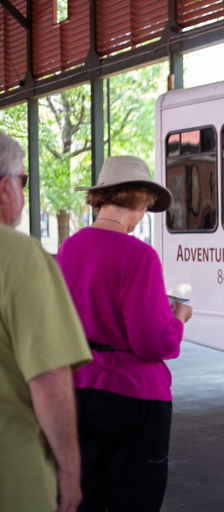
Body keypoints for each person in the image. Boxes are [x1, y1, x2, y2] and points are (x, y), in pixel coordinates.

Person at [55, 156, 193, 512]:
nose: (145, 212)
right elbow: (153, 342)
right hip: (134, 397)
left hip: (78, 387)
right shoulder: (140, 255)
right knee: (134, 499)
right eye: (147, 204)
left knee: (87, 496)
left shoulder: (69, 248)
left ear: (102, 197)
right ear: (138, 200)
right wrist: (178, 318)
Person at [0, 130, 92, 512]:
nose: (23, 189)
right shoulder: (19, 256)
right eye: (23, 180)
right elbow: (49, 379)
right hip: (14, 478)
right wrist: (70, 474)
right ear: (5, 187)